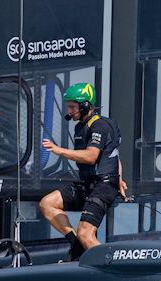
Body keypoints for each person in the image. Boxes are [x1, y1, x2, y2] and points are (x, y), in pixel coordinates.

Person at [39, 82, 126, 261]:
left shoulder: (100, 125)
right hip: (89, 184)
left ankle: (113, 267)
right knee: (47, 203)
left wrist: (59, 150)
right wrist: (121, 178)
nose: (69, 111)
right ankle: (76, 245)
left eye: (72, 107)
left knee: (87, 234)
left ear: (85, 105)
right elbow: (114, 155)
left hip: (104, 186)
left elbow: (91, 156)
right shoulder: (81, 127)